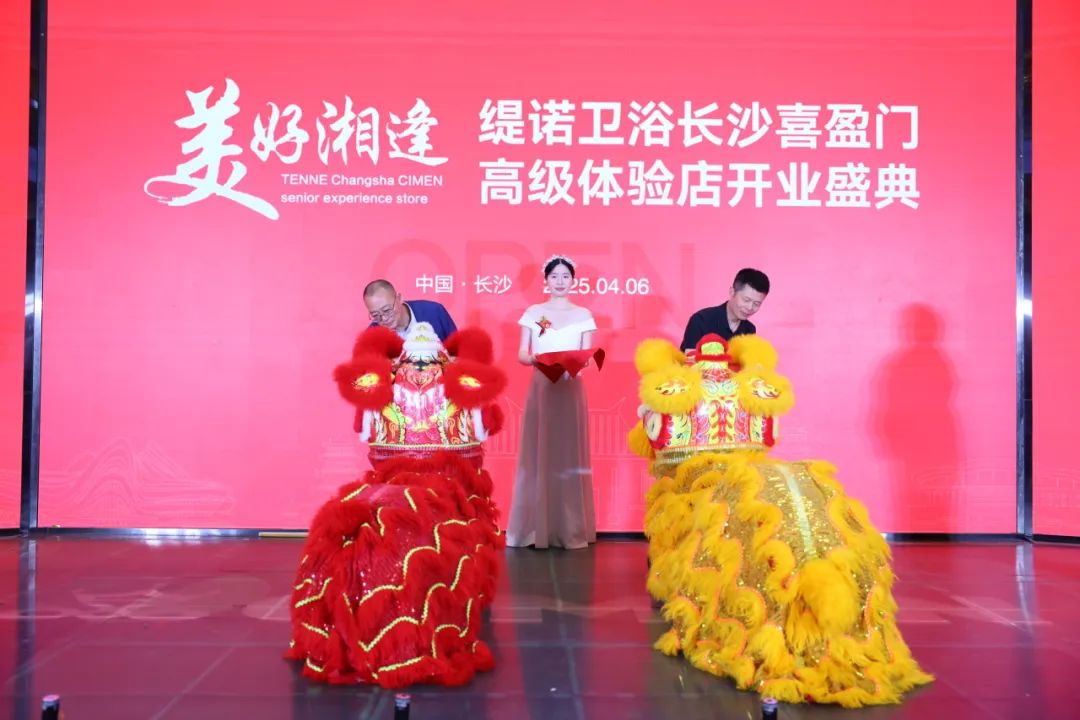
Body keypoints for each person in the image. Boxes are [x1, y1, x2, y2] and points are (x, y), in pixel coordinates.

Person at [627, 332, 933, 707]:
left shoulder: (669, 386)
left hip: (699, 483)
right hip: (751, 472)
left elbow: (649, 442)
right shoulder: (753, 383)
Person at [506, 255, 597, 550]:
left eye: (565, 276)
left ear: (573, 281)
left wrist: (574, 365)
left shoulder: (584, 314)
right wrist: (536, 359)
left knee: (569, 454)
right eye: (554, 276)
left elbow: (587, 355)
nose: (560, 281)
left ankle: (571, 528)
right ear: (546, 280)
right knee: (539, 452)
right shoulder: (534, 312)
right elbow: (522, 353)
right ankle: (535, 528)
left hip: (570, 387)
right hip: (542, 386)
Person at [680, 268, 769, 350]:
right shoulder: (701, 320)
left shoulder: (749, 330)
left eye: (756, 304)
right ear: (732, 292)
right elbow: (689, 359)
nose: (750, 307)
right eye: (746, 300)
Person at [363, 279, 457, 341]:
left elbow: (458, 351)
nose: (384, 318)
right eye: (375, 315)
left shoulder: (434, 312)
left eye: (387, 310)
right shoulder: (371, 335)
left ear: (399, 299)